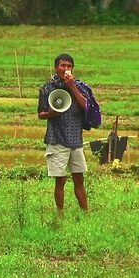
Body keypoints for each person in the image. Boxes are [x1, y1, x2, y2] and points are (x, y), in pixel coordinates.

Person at [37, 53, 97, 212]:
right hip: (57, 139)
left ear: (73, 69)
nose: (66, 69)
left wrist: (72, 87)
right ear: (56, 67)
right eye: (63, 66)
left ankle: (86, 212)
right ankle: (60, 214)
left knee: (79, 178)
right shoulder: (47, 88)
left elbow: (87, 108)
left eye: (69, 66)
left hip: (75, 140)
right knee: (60, 180)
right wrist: (50, 114)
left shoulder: (80, 86)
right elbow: (40, 114)